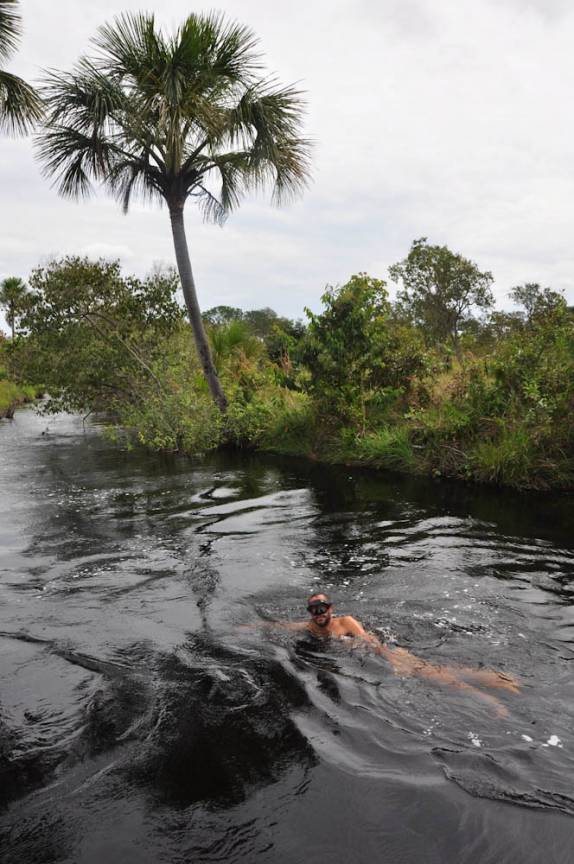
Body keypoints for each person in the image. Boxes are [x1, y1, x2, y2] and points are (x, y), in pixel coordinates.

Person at [279, 593, 520, 717]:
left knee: (436, 676)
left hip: (385, 653)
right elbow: (279, 626)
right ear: (310, 613)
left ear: (330, 608)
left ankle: (492, 702)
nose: (319, 614)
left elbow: (368, 639)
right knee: (439, 672)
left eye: (322, 609)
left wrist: (391, 659)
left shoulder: (346, 622)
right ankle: (500, 680)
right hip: (375, 657)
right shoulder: (310, 627)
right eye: (314, 611)